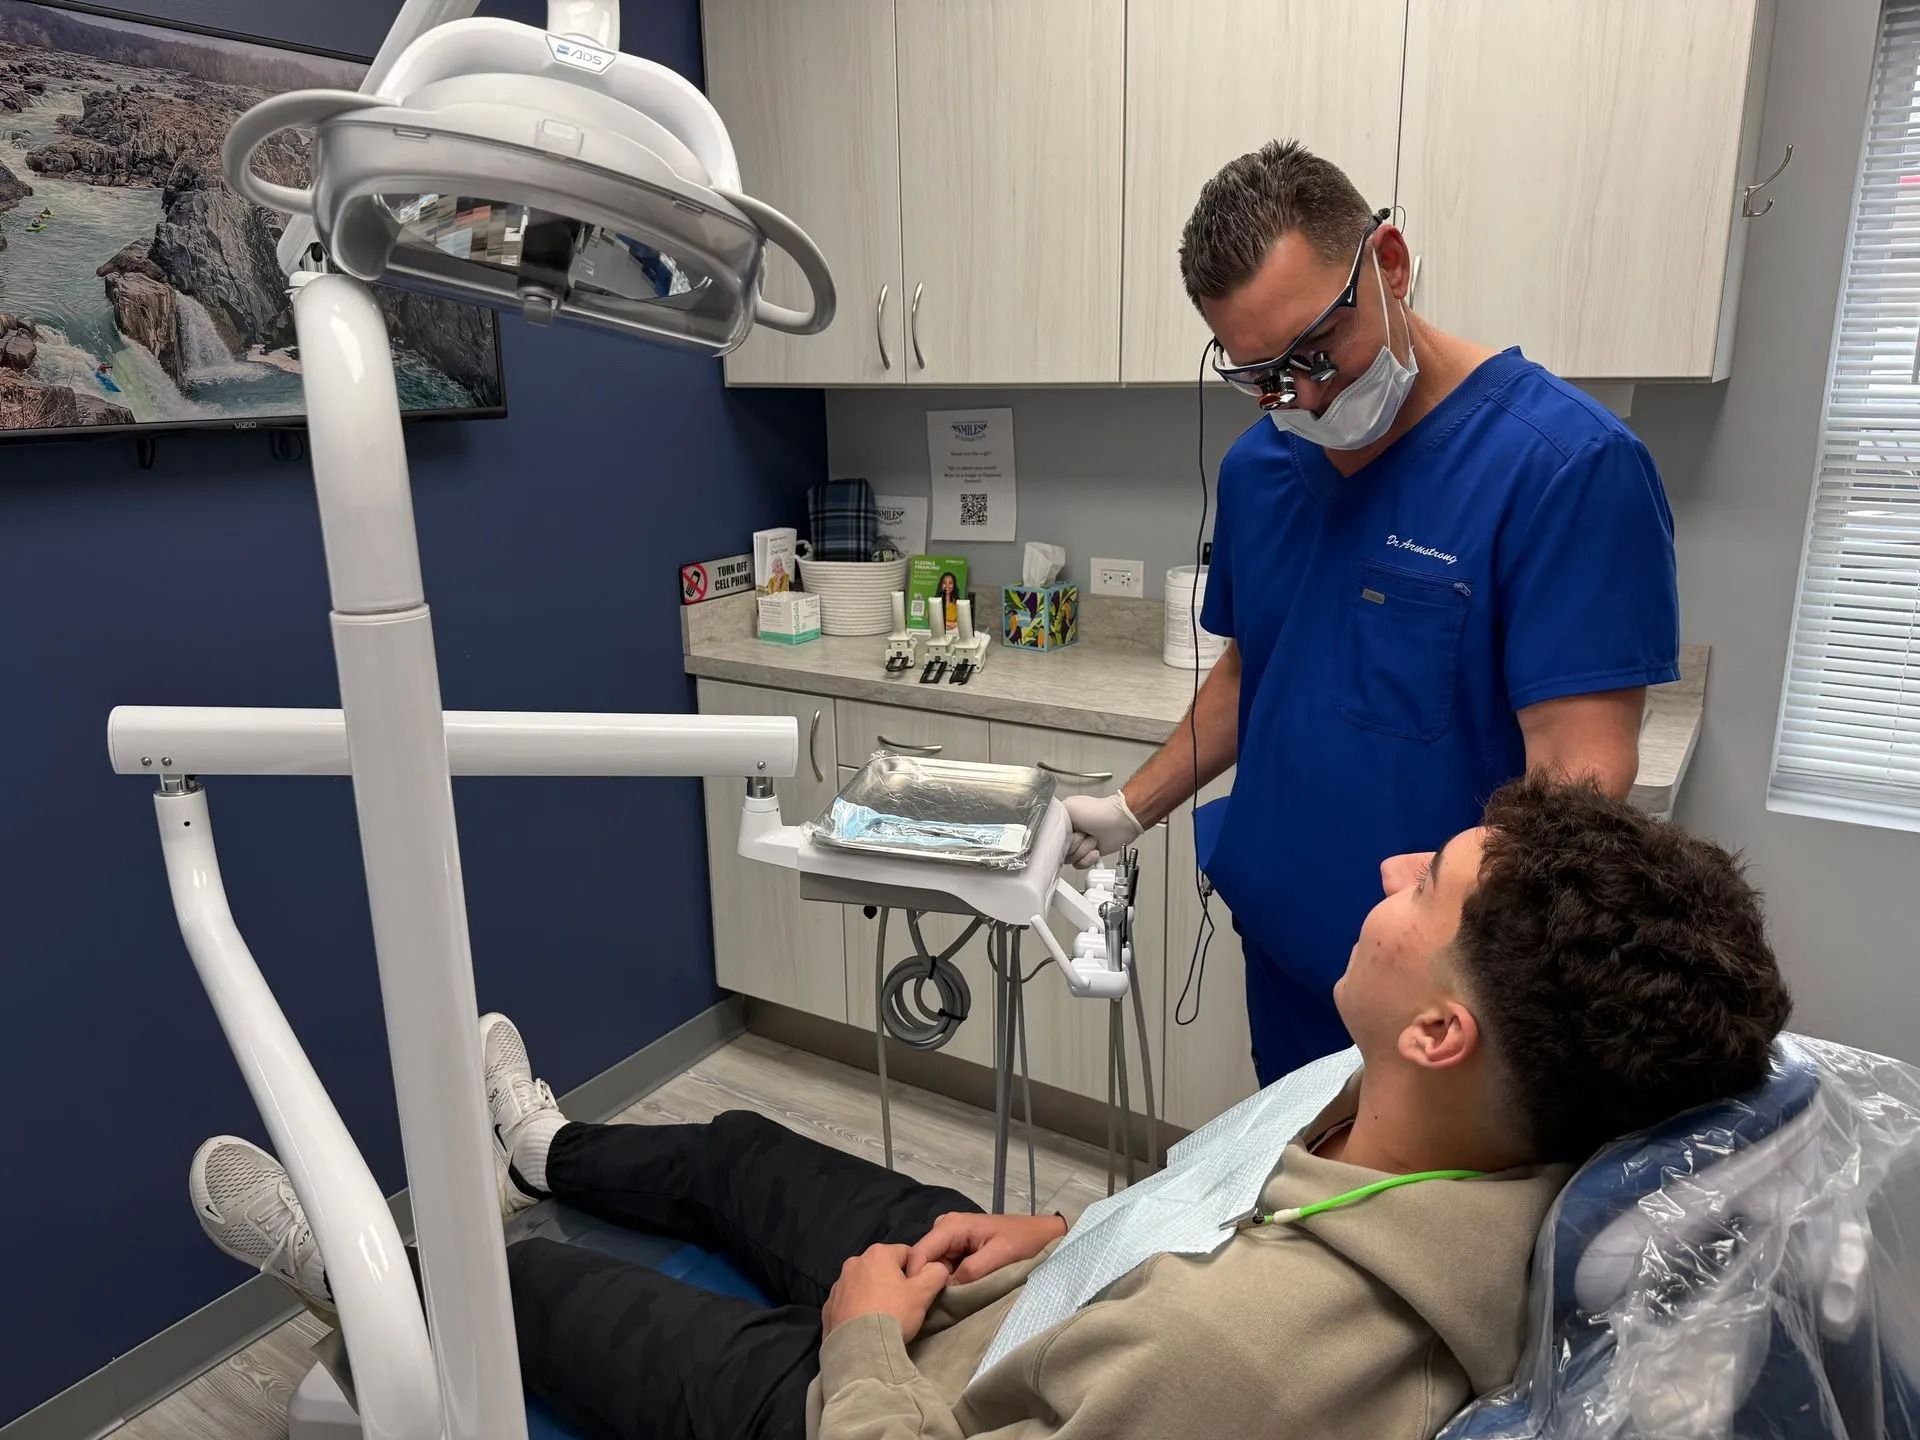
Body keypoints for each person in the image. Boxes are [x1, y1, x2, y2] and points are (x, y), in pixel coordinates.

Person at [190, 779, 1787, 1440]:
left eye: (1425, 883)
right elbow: (1239, 1197)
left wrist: (867, 1338)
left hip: (912, 1388)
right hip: (1041, 1278)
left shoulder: (1246, 1363)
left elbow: (1203, 1324)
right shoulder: (1427, 1131)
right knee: (743, 1151)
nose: (1387, 873)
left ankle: (351, 1274)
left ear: (1444, 1026)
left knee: (529, 1286)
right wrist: (1078, 1226)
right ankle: (548, 1144)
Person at [1065, 140, 1682, 1085]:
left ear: (1388, 265)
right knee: (1286, 1206)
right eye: (1263, 374)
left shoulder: (1566, 468)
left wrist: (1452, 967)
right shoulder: (1260, 470)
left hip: (1444, 1010)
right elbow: (1253, 670)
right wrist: (1128, 807)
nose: (1303, 395)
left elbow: (1580, 777)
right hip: (1286, 959)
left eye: (1317, 352)